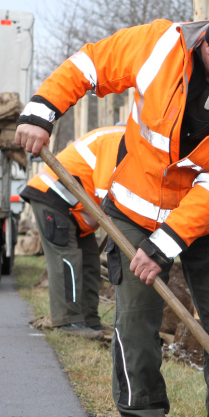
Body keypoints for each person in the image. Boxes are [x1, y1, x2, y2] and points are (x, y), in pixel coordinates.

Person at [15, 0, 209, 417]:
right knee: (135, 324)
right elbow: (89, 65)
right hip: (135, 212)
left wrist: (168, 243)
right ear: (207, 45)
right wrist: (43, 110)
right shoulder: (157, 44)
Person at [20, 125, 125, 340]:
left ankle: (89, 320)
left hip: (78, 210)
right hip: (54, 198)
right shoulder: (117, 140)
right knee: (67, 259)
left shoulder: (128, 143)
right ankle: (67, 321)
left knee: (89, 263)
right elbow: (106, 191)